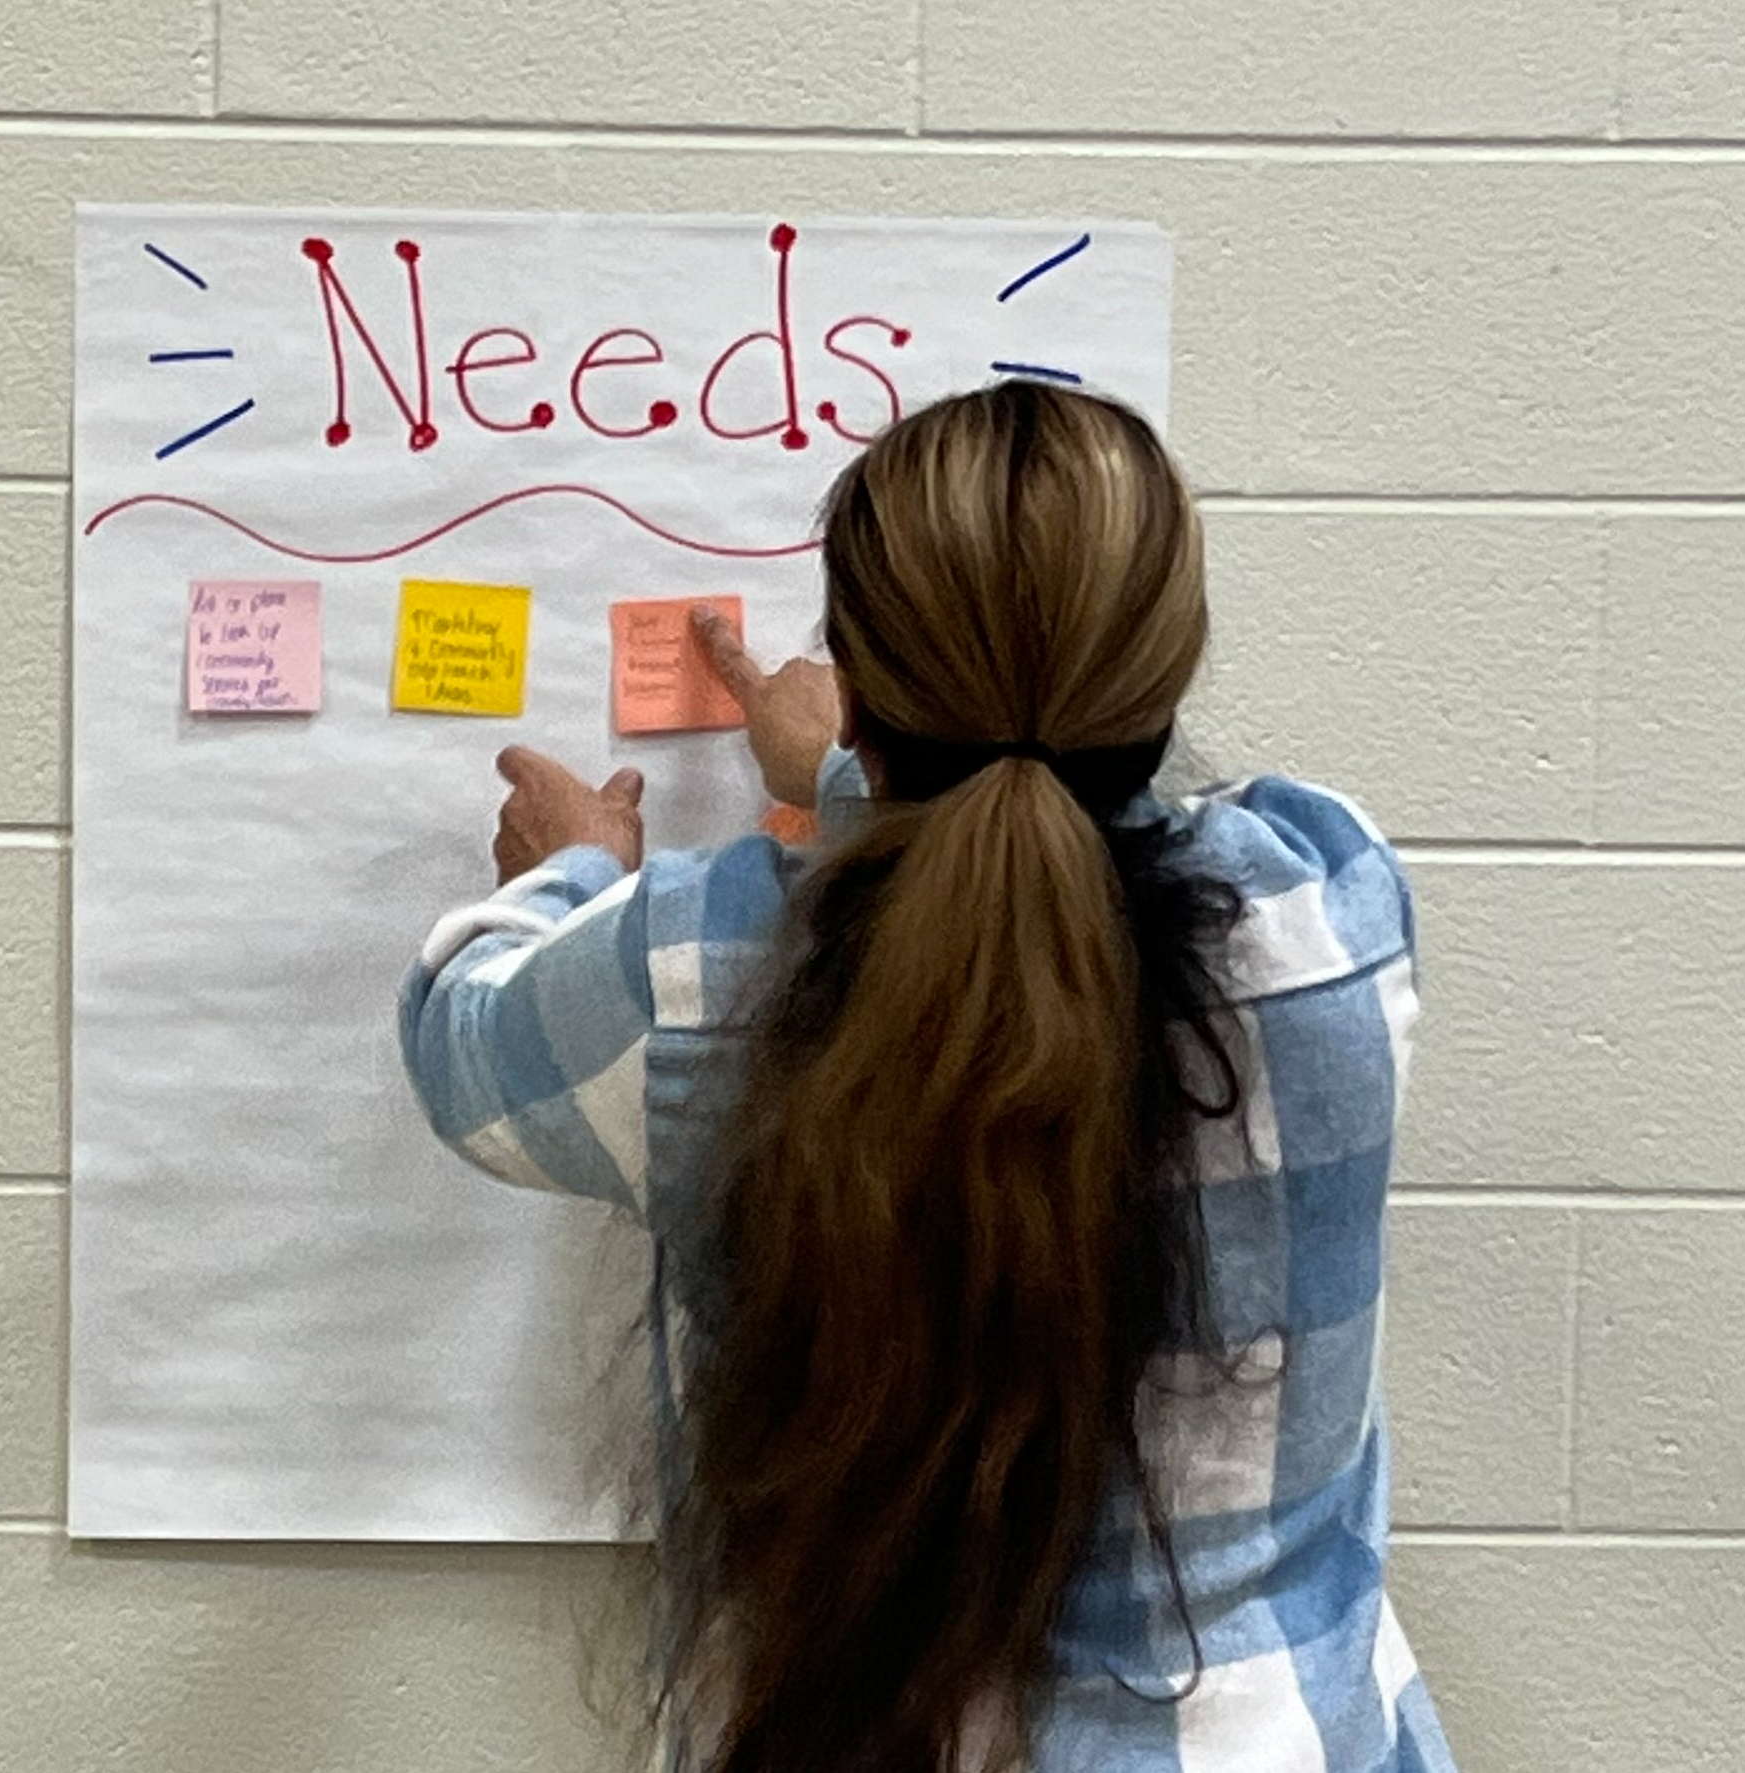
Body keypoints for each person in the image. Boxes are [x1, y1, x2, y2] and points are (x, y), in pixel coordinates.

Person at [398, 381, 1454, 1773]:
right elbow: (1028, 862)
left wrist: (576, 873)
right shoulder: (1330, 910)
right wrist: (856, 778)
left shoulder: (700, 971)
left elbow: (461, 1036)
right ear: (1171, 654)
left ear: (863, 670)